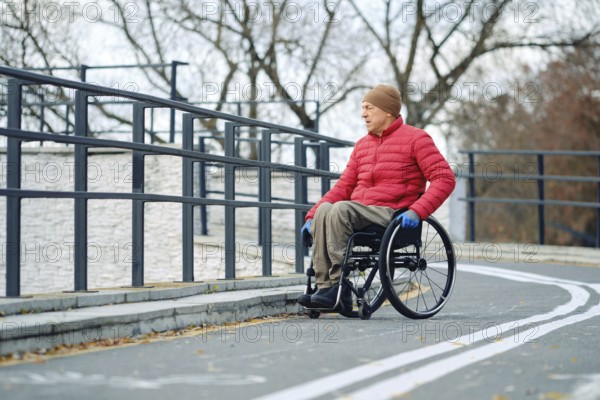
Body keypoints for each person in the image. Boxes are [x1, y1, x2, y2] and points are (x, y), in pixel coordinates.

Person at [297, 84, 456, 310]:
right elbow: (344, 186)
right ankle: (327, 287)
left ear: (387, 111)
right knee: (326, 209)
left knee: (341, 209)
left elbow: (445, 178)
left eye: (369, 108)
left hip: (391, 214)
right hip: (358, 212)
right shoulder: (362, 145)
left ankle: (338, 285)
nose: (363, 113)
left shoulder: (417, 139)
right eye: (363, 108)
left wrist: (418, 210)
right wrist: (312, 216)